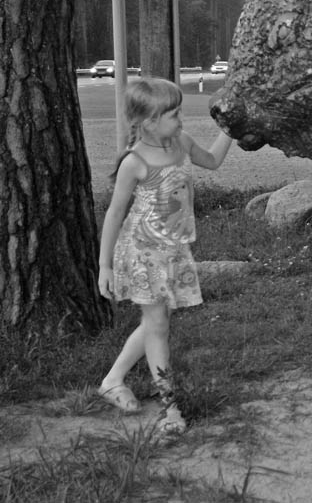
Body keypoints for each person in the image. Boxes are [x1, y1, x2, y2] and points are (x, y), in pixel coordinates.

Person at [96, 77, 233, 435]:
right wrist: (104, 265)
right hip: (143, 254)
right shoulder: (135, 161)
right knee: (158, 326)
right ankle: (170, 408)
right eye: (173, 114)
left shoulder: (182, 143)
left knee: (154, 323)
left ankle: (113, 379)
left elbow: (214, 161)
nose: (181, 119)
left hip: (173, 251)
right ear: (149, 121)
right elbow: (114, 213)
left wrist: (231, 130)